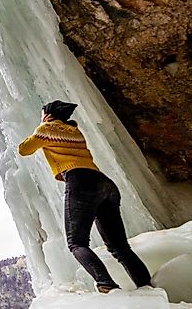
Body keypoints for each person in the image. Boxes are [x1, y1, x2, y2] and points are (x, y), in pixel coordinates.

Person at [18, 100, 151, 293]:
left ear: (47, 115)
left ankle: (106, 283)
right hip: (104, 183)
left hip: (80, 182)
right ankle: (147, 287)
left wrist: (41, 125)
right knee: (120, 248)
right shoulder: (75, 131)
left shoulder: (46, 129)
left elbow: (24, 149)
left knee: (77, 243)